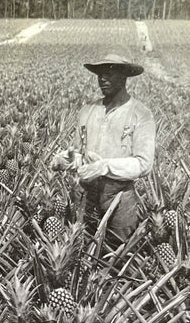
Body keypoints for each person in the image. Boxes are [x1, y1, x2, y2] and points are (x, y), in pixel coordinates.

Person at [52, 53, 156, 243]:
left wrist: (105, 166)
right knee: (80, 251)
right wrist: (69, 159)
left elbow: (144, 164)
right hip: (85, 195)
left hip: (119, 198)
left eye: (110, 72)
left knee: (117, 255)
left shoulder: (140, 114)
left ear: (124, 76)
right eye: (100, 73)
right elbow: (80, 152)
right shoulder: (88, 110)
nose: (103, 78)